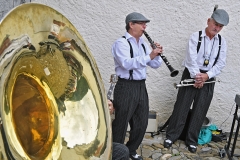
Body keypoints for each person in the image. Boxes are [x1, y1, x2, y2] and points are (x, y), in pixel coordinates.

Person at [164, 6, 229, 153]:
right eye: (215, 24)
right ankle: (171, 135)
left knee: (200, 109)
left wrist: (206, 76)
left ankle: (191, 140)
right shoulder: (196, 36)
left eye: (220, 26)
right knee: (182, 106)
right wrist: (197, 76)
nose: (217, 28)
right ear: (208, 21)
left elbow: (221, 63)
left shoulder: (221, 42)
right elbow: (190, 58)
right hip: (191, 74)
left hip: (208, 78)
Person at [111, 12, 163, 160]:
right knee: (121, 122)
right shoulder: (121, 43)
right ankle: (116, 153)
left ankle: (131, 149)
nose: (144, 26)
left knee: (141, 121)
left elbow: (154, 65)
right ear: (131, 24)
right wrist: (150, 56)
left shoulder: (143, 44)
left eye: (145, 24)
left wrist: (156, 55)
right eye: (141, 23)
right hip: (125, 86)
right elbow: (126, 64)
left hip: (141, 86)